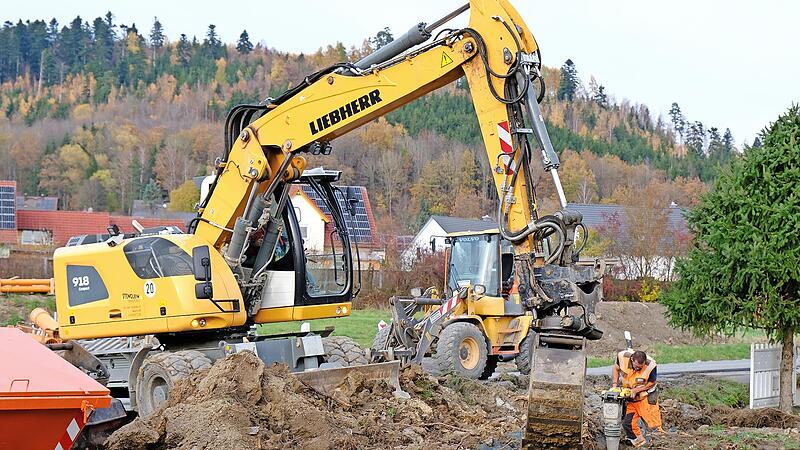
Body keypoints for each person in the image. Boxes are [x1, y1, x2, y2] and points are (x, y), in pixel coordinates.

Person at [611, 349, 665, 447]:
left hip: (646, 397)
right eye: (636, 366)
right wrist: (614, 386)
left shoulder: (651, 366)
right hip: (632, 399)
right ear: (632, 359)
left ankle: (660, 444)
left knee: (653, 426)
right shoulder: (622, 357)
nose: (637, 369)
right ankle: (640, 444)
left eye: (640, 368)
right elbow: (616, 368)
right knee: (628, 424)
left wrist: (637, 390)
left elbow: (652, 383)